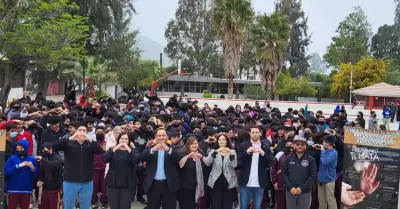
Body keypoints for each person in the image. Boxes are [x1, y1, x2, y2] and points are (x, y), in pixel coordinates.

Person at [52, 124, 105, 209]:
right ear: (76, 132)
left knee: (85, 206)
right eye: (80, 130)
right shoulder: (68, 143)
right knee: (68, 206)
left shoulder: (90, 145)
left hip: (87, 181)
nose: (82, 132)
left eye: (84, 131)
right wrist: (70, 138)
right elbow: (54, 146)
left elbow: (101, 152)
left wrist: (90, 140)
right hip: (70, 181)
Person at [139, 127, 181, 209]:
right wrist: (152, 150)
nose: (161, 137)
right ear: (155, 137)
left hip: (169, 185)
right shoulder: (150, 148)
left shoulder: (173, 148)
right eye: (159, 135)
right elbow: (140, 157)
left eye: (163, 135)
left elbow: (178, 158)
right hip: (153, 184)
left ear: (167, 136)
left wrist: (168, 150)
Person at [103, 132, 140, 209]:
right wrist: (115, 148)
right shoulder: (112, 150)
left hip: (128, 184)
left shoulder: (133, 151)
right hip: (113, 184)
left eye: (126, 139)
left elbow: (136, 161)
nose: (123, 140)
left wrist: (129, 149)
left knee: (125, 206)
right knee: (114, 206)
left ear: (129, 141)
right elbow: (105, 159)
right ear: (118, 139)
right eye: (122, 138)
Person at [238, 126, 272, 209]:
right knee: (243, 206)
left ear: (260, 133)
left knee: (257, 206)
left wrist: (262, 153)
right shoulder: (243, 146)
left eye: (257, 132)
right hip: (246, 182)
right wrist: (247, 152)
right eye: (253, 132)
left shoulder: (265, 147)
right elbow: (239, 163)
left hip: (259, 183)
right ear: (249, 133)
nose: (255, 134)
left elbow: (271, 162)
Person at [204, 134, 237, 209]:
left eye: (224, 140)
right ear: (217, 141)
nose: (222, 141)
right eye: (220, 140)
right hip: (216, 181)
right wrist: (216, 151)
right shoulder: (213, 151)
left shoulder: (233, 152)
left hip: (229, 181)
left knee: (227, 204)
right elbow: (208, 162)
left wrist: (230, 153)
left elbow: (234, 165)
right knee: (215, 204)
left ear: (227, 141)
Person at [284, 136, 317, 209]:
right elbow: (284, 174)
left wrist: (301, 188)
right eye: (298, 144)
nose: (300, 146)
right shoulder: (288, 158)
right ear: (294, 146)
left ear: (305, 146)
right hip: (290, 191)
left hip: (305, 192)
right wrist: (290, 187)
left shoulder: (311, 159)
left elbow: (312, 176)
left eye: (302, 144)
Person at [5, 139, 38, 209]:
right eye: (17, 148)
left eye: (21, 148)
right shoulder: (11, 159)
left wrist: (32, 167)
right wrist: (18, 166)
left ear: (25, 148)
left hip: (26, 190)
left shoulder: (32, 159)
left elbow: (35, 175)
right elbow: (7, 172)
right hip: (13, 189)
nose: (19, 150)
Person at [178, 136, 207, 209]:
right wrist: (188, 156)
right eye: (192, 144)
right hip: (186, 187)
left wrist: (202, 157)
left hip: (199, 186)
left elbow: (208, 164)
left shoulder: (202, 153)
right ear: (188, 145)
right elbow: (180, 165)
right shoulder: (182, 153)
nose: (194, 145)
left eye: (195, 143)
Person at [36, 142, 63, 209]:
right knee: (44, 206)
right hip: (45, 188)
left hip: (55, 188)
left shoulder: (56, 157)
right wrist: (39, 180)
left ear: (50, 149)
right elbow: (42, 171)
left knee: (54, 206)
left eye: (45, 150)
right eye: (43, 151)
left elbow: (53, 166)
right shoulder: (45, 157)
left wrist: (42, 159)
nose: (44, 152)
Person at [315, 135, 338, 209]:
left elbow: (325, 161)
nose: (322, 144)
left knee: (330, 200)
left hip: (329, 180)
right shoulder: (324, 151)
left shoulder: (333, 152)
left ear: (328, 143)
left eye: (324, 142)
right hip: (321, 180)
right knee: (321, 200)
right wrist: (314, 147)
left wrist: (322, 151)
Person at [271, 140, 293, 209]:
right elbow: (273, 169)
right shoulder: (280, 154)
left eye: (291, 144)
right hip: (281, 185)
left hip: (293, 186)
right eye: (287, 144)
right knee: (280, 204)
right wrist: (274, 182)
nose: (289, 146)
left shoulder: (297, 155)